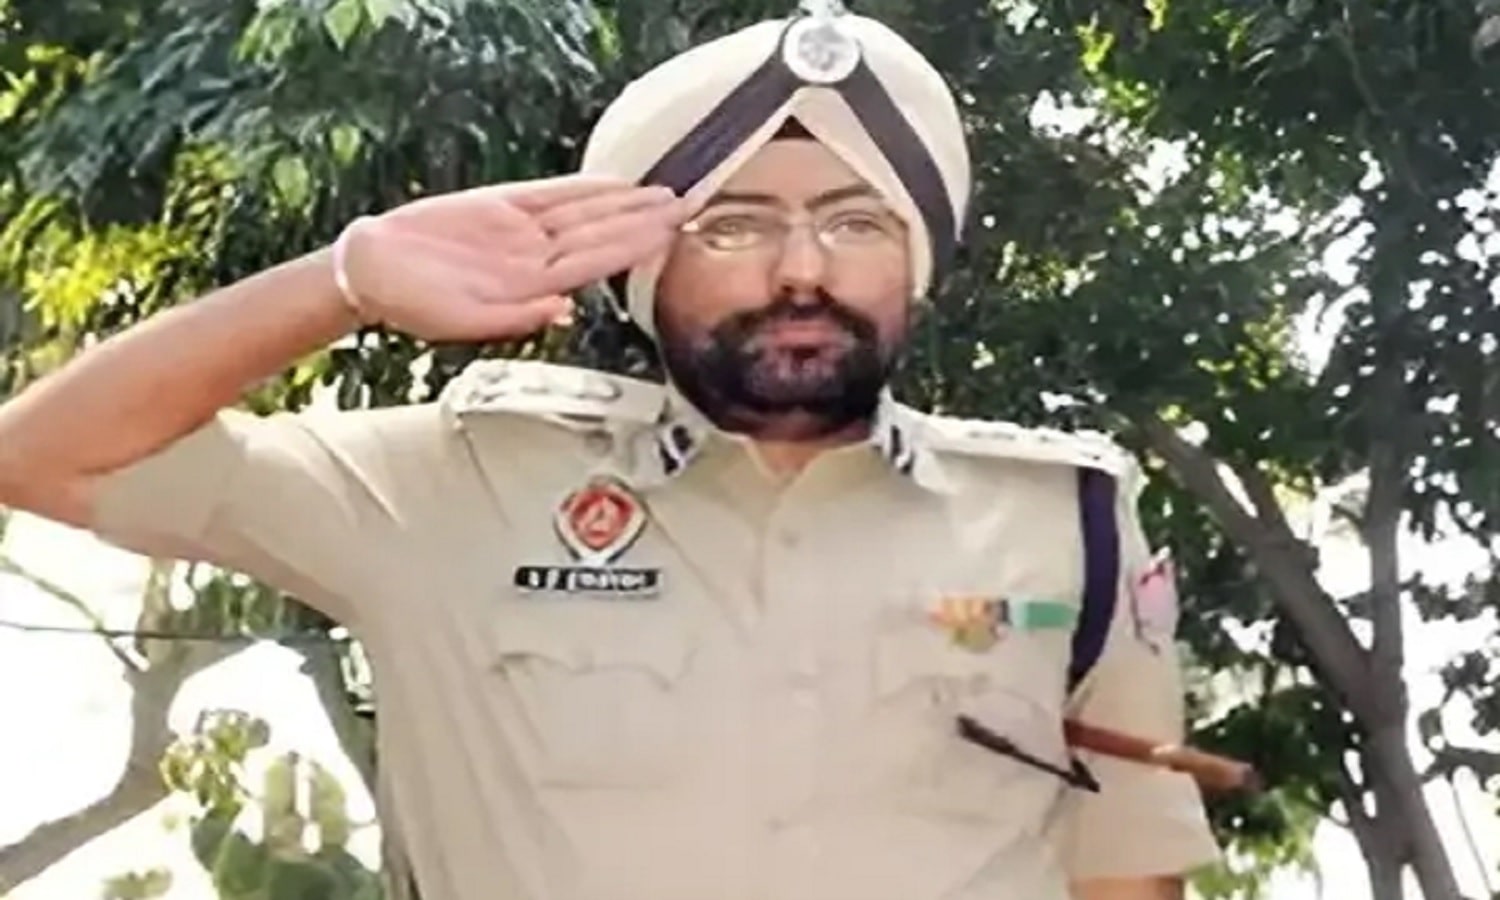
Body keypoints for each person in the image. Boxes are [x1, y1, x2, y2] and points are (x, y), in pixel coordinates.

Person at [0, 3, 1220, 899]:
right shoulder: (456, 483)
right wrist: (342, 281)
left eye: (857, 223)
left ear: (916, 265)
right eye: (735, 226)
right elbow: (47, 458)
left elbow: (1125, 870)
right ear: (643, 274)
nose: (803, 270)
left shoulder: (1067, 519)